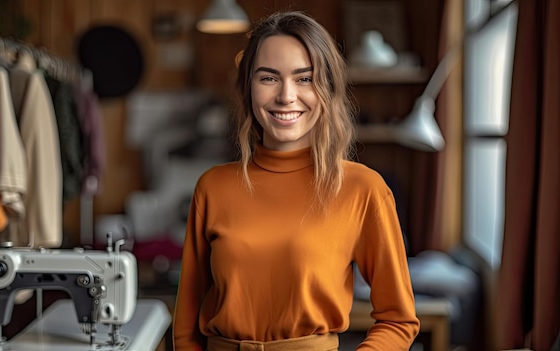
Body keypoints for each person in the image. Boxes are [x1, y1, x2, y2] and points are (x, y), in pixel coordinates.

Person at [173, 10, 420, 351]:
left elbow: (398, 320)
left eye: (305, 79)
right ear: (248, 87)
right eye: (268, 78)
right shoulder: (213, 187)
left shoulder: (363, 189)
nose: (286, 96)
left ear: (327, 89)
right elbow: (186, 326)